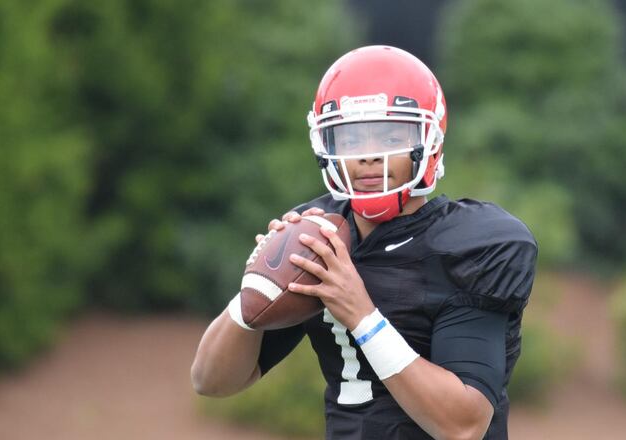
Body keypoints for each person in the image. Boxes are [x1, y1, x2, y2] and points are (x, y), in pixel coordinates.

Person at [191, 45, 538, 440]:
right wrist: (256, 292)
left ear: (430, 141)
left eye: (391, 135)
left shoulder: (472, 246)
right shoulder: (319, 236)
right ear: (326, 145)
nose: (369, 156)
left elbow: (463, 425)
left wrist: (361, 313)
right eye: (351, 138)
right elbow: (210, 380)